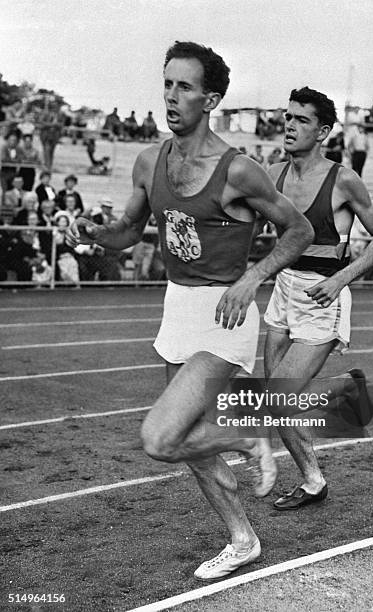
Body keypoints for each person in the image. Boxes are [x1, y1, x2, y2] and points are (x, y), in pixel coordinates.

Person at [66, 41, 313, 579]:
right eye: (167, 84)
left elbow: (299, 230)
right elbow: (129, 233)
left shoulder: (239, 170)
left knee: (161, 437)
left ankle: (250, 437)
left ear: (211, 99)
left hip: (224, 315)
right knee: (194, 446)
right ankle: (243, 538)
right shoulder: (149, 159)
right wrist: (94, 233)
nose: (171, 96)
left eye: (184, 87)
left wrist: (252, 279)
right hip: (177, 307)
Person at [261, 86, 373, 510]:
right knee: (275, 400)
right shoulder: (273, 175)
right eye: (288, 116)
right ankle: (313, 479)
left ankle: (347, 404)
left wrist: (342, 281)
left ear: (322, 131)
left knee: (280, 399)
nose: (290, 125)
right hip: (284, 292)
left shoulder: (343, 180)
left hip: (322, 297)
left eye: (301, 120)